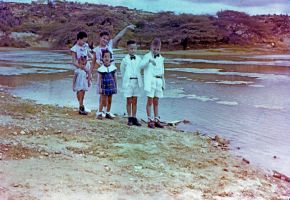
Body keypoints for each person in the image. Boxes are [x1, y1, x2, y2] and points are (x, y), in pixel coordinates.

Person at [91, 25, 135, 118]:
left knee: (110, 93)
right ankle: (100, 111)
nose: (105, 40)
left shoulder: (110, 45)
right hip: (102, 72)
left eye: (107, 39)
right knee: (102, 94)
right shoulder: (96, 50)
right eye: (103, 38)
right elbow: (93, 62)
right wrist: (89, 74)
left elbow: (119, 36)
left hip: (111, 72)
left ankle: (107, 111)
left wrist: (126, 28)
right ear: (100, 38)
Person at [140, 38, 165, 128]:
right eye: (154, 49)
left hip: (159, 81)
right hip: (150, 81)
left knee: (156, 101)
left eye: (158, 49)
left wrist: (163, 83)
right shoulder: (147, 56)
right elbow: (141, 66)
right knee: (150, 101)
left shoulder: (161, 58)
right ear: (151, 47)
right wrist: (149, 61)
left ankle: (156, 119)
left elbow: (162, 72)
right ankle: (150, 120)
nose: (156, 51)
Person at [120, 40, 143, 126]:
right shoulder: (124, 60)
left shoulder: (139, 59)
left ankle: (134, 117)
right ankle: (129, 117)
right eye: (131, 49)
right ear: (127, 49)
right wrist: (126, 80)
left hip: (136, 82)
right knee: (128, 100)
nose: (133, 50)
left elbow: (141, 69)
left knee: (135, 101)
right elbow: (122, 71)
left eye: (134, 49)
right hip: (128, 82)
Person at [70, 31, 92, 114]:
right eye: (83, 41)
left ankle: (81, 105)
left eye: (85, 41)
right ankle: (81, 105)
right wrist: (82, 67)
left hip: (87, 68)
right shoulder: (74, 49)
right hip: (80, 69)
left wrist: (95, 59)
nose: (84, 43)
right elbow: (73, 61)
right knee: (79, 88)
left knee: (84, 88)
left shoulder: (85, 46)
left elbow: (89, 54)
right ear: (78, 39)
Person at [96, 49, 117, 120]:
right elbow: (99, 79)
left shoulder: (113, 68)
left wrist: (116, 86)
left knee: (110, 100)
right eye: (105, 57)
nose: (106, 58)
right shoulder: (101, 69)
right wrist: (99, 88)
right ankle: (99, 113)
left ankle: (108, 112)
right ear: (102, 58)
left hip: (111, 85)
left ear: (110, 58)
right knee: (103, 100)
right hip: (104, 86)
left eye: (108, 57)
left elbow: (115, 78)